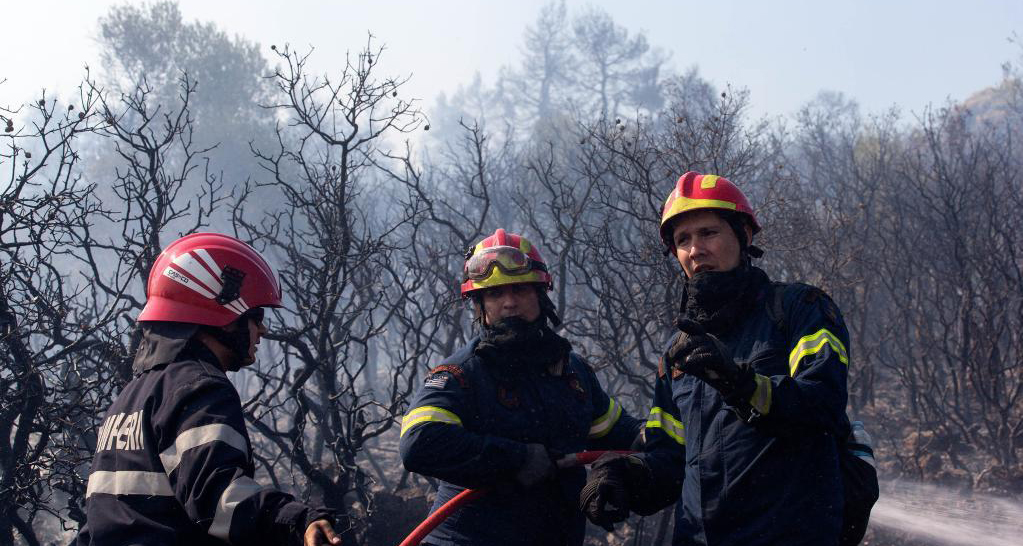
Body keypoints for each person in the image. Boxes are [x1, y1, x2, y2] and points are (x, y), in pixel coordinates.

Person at [580, 172, 853, 545]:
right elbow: (670, 461)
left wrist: (740, 384)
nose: (696, 250)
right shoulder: (678, 354)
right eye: (682, 240)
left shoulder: (798, 310)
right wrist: (625, 475)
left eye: (708, 233)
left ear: (745, 236)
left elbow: (823, 404)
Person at [74, 233, 340, 546]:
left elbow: (98, 522)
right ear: (224, 316)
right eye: (256, 317)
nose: (263, 330)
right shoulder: (200, 389)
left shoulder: (128, 400)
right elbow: (217, 498)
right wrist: (297, 519)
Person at [399, 228, 643, 546]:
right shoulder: (462, 374)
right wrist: (517, 459)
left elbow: (619, 433)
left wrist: (649, 441)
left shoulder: (573, 373)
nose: (509, 303)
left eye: (520, 290)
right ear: (480, 306)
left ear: (541, 296)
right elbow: (419, 443)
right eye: (495, 294)